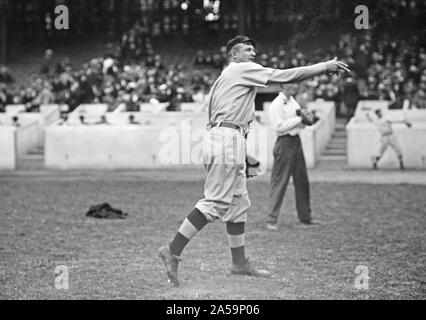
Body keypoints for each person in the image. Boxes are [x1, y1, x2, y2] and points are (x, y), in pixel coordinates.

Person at [157, 35, 350, 287]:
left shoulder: (223, 79)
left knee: (238, 202)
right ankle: (172, 250)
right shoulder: (240, 68)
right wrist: (323, 66)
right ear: (233, 55)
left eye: (254, 50)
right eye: (248, 50)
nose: (253, 54)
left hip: (226, 137)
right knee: (215, 202)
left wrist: (241, 153)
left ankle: (239, 264)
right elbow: (285, 76)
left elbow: (222, 119)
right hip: (227, 139)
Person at [266, 84, 321, 231]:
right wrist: (299, 120)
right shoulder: (276, 104)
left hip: (296, 141)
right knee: (280, 180)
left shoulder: (293, 102)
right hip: (284, 142)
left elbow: (298, 124)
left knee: (302, 180)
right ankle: (271, 218)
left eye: (295, 83)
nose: (294, 86)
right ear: (283, 85)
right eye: (290, 83)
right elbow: (278, 127)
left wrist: (306, 121)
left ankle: (305, 217)